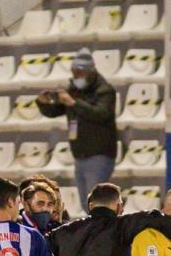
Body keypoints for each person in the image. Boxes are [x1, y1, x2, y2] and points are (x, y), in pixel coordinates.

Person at [36, 47, 118, 205]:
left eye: (80, 73)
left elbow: (101, 114)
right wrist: (42, 103)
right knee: (85, 202)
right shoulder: (73, 90)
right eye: (74, 73)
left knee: (96, 202)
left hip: (99, 154)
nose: (76, 77)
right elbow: (56, 111)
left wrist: (73, 103)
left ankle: (101, 229)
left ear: (90, 72)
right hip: (80, 155)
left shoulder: (105, 91)